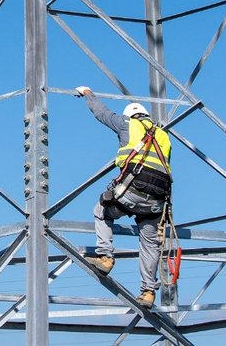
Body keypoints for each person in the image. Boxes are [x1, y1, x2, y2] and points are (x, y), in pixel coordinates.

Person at [74, 86, 172, 308]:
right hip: (157, 201)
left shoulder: (126, 124)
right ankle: (148, 291)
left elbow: (102, 113)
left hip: (132, 191)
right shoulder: (163, 136)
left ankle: (105, 257)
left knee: (101, 210)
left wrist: (88, 93)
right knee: (150, 244)